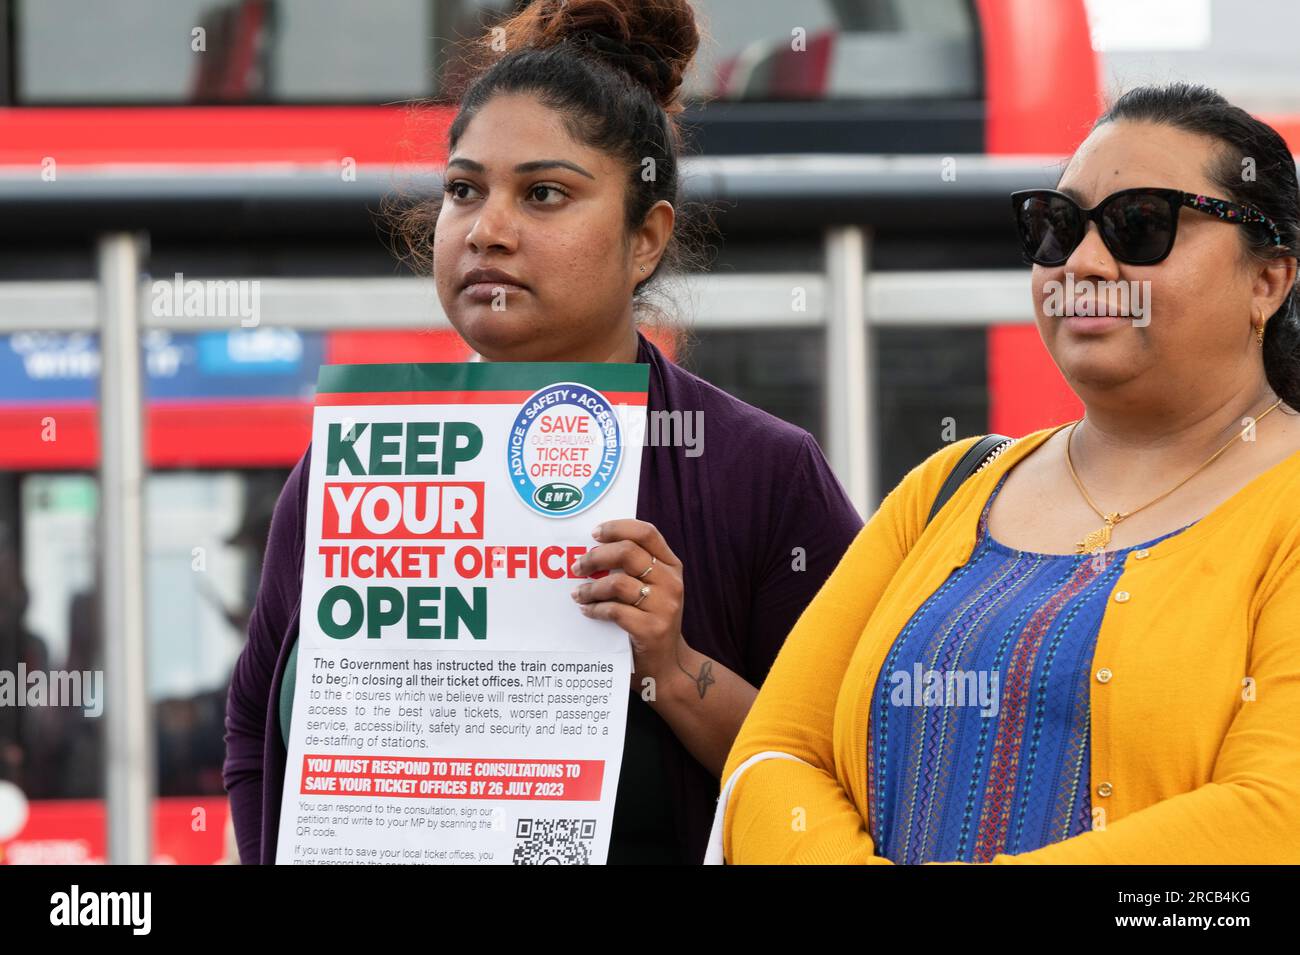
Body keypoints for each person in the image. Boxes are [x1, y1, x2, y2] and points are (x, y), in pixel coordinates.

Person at [223, 0, 862, 865]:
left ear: (646, 239)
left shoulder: (764, 475)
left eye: (544, 194)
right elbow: (256, 729)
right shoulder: (351, 464)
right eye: (463, 190)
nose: (488, 230)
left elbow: (849, 775)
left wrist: (673, 670)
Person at [717, 82, 1300, 864]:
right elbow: (775, 753)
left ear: (1268, 280)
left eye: (1140, 225)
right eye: (1057, 227)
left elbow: (1273, 819)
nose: (1086, 262)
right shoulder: (951, 486)